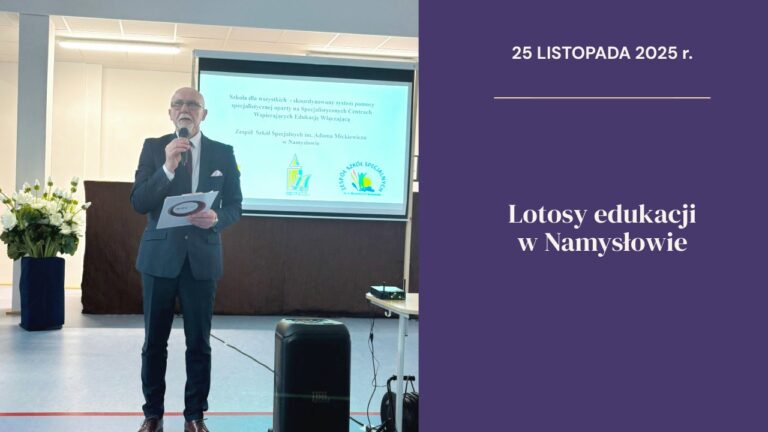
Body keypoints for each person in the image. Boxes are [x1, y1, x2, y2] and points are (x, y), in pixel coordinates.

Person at [130, 87, 242, 432]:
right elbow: (139, 202)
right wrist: (167, 167)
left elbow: (235, 205)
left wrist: (217, 218)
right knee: (154, 343)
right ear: (170, 113)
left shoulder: (223, 153)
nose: (185, 109)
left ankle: (195, 416)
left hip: (201, 260)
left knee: (199, 343)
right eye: (178, 103)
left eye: (193, 104)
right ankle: (153, 414)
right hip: (159, 259)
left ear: (203, 114)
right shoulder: (154, 147)